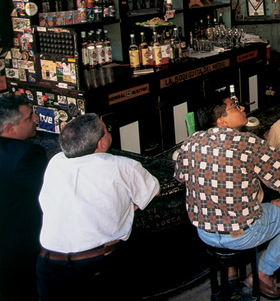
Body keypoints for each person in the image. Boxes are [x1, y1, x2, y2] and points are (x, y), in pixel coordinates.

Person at [175, 94, 280, 300]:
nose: (242, 108)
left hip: (204, 233)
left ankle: (230, 271)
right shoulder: (247, 143)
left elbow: (180, 176)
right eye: (235, 106)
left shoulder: (191, 142)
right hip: (243, 235)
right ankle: (262, 274)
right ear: (222, 121)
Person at [36, 113, 160, 301]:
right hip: (95, 265)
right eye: (106, 129)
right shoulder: (122, 166)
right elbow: (152, 190)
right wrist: (126, 207)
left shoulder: (56, 162)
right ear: (101, 143)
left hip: (48, 264)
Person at [0, 94, 46, 301]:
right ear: (9, 129)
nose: (36, 119)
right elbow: (48, 193)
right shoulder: (28, 154)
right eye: (29, 118)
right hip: (19, 251)